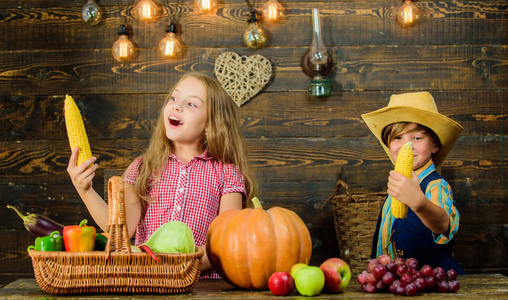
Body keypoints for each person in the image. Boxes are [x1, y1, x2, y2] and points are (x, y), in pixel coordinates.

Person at [67, 72, 257, 278]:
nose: (177, 105)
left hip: (203, 286)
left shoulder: (227, 172)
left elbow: (227, 240)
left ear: (210, 125)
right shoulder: (142, 168)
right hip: (149, 282)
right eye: (174, 98)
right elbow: (120, 230)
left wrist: (182, 267)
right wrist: (85, 190)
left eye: (191, 104)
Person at [361, 91, 465, 273]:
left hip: (427, 284)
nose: (406, 146)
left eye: (417, 138)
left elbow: (443, 225)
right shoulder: (397, 183)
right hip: (393, 282)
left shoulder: (436, 185)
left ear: (434, 145)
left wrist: (419, 203)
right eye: (398, 138)